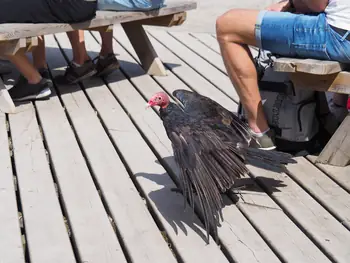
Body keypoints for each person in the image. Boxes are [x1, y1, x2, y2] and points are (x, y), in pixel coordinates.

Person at [216, 0, 350, 149]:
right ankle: (336, 109)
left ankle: (259, 132)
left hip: (340, 36)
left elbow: (318, 4)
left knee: (227, 25)